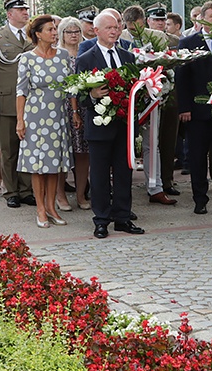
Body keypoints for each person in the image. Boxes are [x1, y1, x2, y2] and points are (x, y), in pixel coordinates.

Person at [76, 12, 145, 239]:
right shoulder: (85, 59)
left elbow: (137, 92)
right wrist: (93, 94)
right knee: (99, 175)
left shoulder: (128, 57)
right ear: (96, 31)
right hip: (99, 126)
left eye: (116, 27)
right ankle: (102, 219)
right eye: (109, 28)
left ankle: (123, 217)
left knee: (124, 172)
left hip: (124, 126)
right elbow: (80, 97)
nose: (114, 31)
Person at [15, 15, 73, 228]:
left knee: (54, 164)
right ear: (38, 34)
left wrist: (74, 112)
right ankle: (40, 208)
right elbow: (20, 91)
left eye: (55, 29)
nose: (54, 33)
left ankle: (51, 207)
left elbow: (72, 86)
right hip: (35, 117)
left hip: (58, 116)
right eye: (50, 29)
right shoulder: (27, 58)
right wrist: (20, 121)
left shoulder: (63, 56)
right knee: (38, 165)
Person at [0, 0, 35, 209]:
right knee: (9, 149)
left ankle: (26, 189)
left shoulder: (33, 36)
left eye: (26, 10)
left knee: (27, 147)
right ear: (10, 14)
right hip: (6, 101)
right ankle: (11, 191)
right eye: (21, 10)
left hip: (31, 102)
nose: (25, 13)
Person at [122, 5, 176, 204]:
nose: (132, 30)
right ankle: (122, 189)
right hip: (127, 100)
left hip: (151, 98)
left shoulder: (158, 38)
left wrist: (160, 89)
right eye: (129, 26)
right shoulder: (120, 39)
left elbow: (166, 65)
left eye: (136, 25)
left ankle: (156, 187)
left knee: (152, 144)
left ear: (143, 21)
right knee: (125, 144)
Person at [176, 0, 212, 214]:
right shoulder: (188, 43)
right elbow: (182, 77)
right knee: (197, 157)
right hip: (197, 111)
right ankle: (200, 198)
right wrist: (184, 107)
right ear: (203, 19)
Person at [57, 16, 89, 210]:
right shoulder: (56, 54)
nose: (73, 35)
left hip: (84, 107)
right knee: (61, 153)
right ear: (62, 34)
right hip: (62, 108)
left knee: (83, 152)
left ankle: (81, 195)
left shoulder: (86, 52)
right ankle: (60, 196)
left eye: (76, 31)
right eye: (69, 31)